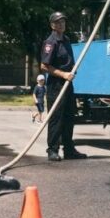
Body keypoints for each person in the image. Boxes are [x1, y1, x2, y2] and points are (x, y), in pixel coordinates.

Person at [40, 12, 87, 161]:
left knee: (69, 116)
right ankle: (52, 150)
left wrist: (72, 69)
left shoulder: (66, 40)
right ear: (52, 25)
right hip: (56, 84)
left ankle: (69, 149)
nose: (61, 24)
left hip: (68, 84)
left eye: (63, 22)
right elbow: (44, 66)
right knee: (56, 118)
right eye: (58, 22)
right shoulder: (50, 42)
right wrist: (63, 74)